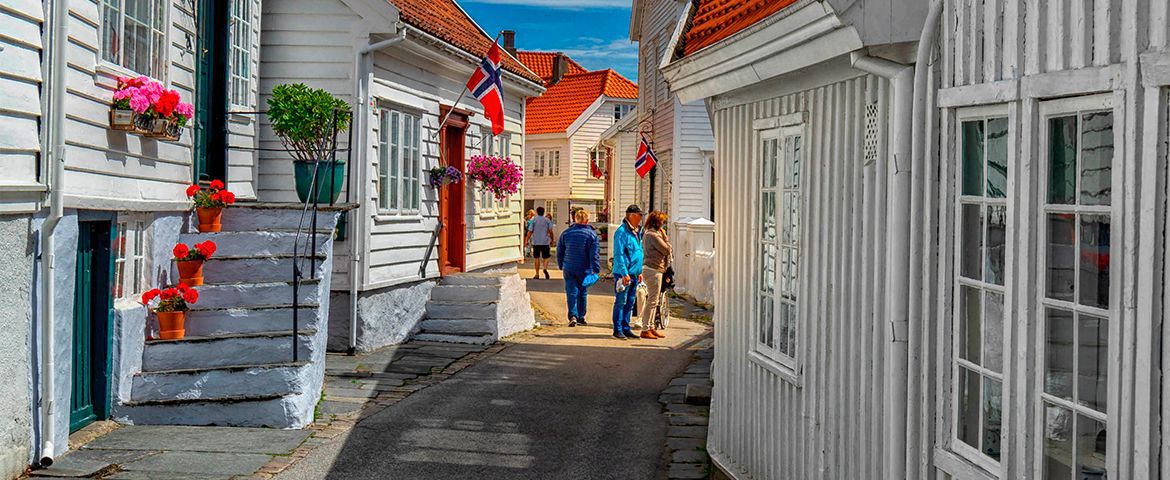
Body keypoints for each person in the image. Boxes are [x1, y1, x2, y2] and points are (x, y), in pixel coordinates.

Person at [556, 209, 600, 327]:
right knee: (582, 292)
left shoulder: (566, 233)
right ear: (587, 220)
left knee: (571, 292)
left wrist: (561, 264)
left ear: (575, 219)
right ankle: (581, 316)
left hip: (569, 266)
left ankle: (572, 315)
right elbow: (594, 254)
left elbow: (560, 251)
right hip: (584, 268)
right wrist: (596, 268)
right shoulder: (592, 235)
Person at [610, 204, 644, 340]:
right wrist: (624, 273)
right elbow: (618, 254)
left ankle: (626, 327)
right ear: (632, 216)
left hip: (634, 273)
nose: (641, 218)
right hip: (623, 273)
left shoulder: (636, 231)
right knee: (621, 301)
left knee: (630, 302)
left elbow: (638, 252)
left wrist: (639, 271)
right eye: (639, 215)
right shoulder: (622, 232)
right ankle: (617, 329)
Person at [639, 211, 673, 339]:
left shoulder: (648, 234)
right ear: (658, 222)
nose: (663, 225)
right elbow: (667, 249)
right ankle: (645, 328)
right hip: (654, 270)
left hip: (652, 269)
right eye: (662, 222)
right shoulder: (653, 236)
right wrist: (665, 237)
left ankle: (651, 326)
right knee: (652, 301)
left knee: (655, 300)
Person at [524, 206, 554, 279]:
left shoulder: (534, 220)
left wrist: (526, 240)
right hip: (545, 242)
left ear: (537, 212)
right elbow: (550, 231)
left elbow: (530, 231)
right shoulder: (547, 220)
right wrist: (552, 239)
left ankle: (537, 274)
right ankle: (545, 268)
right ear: (543, 212)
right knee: (546, 257)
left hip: (536, 241)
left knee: (536, 258)